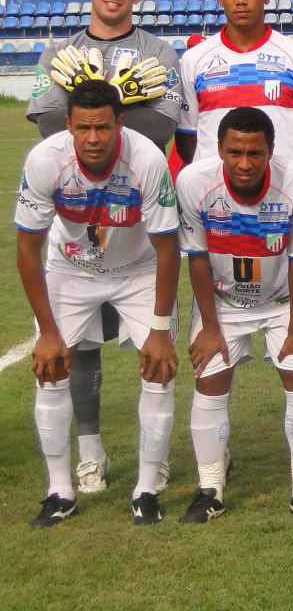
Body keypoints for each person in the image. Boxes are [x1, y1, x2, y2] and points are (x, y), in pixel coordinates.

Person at [175, 0, 293, 492]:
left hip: (281, 210)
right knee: (216, 346)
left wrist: (277, 191)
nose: (241, 0)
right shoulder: (195, 61)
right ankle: (214, 464)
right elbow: (186, 140)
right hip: (216, 214)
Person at [26, 0, 182, 496]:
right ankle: (90, 451)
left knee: (153, 350)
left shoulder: (163, 55)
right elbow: (48, 124)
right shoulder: (56, 54)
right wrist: (119, 103)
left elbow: (161, 131)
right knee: (82, 351)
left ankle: (152, 461)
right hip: (77, 230)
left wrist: (96, 103)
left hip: (139, 225)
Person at [16, 80, 180, 527]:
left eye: (103, 127)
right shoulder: (45, 160)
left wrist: (161, 330)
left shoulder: (147, 158)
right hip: (71, 269)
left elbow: (168, 248)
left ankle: (146, 489)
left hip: (139, 268)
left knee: (158, 371)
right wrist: (48, 333)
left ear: (119, 124)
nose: (93, 138)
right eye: (84, 127)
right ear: (67, 125)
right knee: (49, 373)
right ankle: (59, 491)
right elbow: (27, 249)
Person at [176, 107, 293, 524]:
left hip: (283, 300)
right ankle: (210, 489)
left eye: (255, 154)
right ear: (220, 150)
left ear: (271, 151)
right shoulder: (192, 182)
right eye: (235, 153)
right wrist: (209, 327)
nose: (245, 164)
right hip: (222, 303)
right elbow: (198, 257)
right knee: (210, 377)